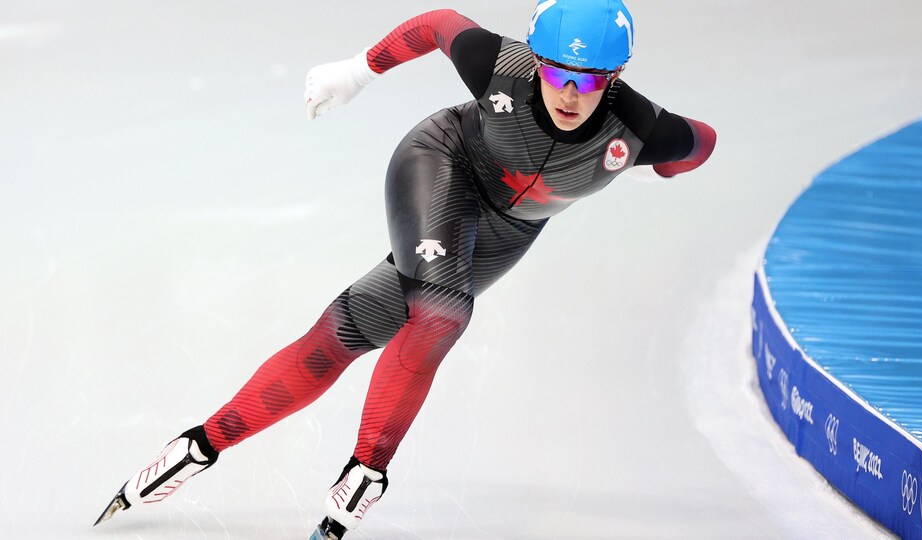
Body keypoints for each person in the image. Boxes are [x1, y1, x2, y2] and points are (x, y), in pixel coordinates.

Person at [95, 1, 716, 538]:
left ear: (619, 76)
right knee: (443, 311)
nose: (571, 94)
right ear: (535, 59)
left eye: (593, 79)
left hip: (506, 230)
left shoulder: (642, 129)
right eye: (557, 71)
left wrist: (663, 163)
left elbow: (702, 142)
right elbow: (439, 23)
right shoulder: (498, 63)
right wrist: (356, 72)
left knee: (349, 332)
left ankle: (199, 445)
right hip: (440, 162)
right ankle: (366, 474)